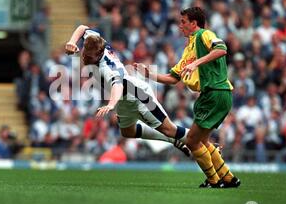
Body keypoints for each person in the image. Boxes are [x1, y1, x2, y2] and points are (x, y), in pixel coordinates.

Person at [135, 6, 241, 188]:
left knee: (191, 140)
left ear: (194, 23)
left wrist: (197, 63)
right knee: (202, 141)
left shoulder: (204, 35)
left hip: (215, 92)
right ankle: (229, 178)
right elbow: (173, 78)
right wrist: (149, 74)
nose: (179, 25)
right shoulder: (189, 49)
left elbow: (222, 49)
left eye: (183, 22)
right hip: (213, 95)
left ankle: (213, 180)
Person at [64, 25, 191, 158]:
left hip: (138, 94)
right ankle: (173, 140)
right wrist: (72, 42)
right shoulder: (94, 41)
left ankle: (206, 142)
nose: (84, 57)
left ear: (99, 54)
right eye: (84, 51)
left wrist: (111, 105)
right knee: (128, 132)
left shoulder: (108, 67)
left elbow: (117, 85)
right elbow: (83, 28)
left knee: (169, 129)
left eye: (89, 56)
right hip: (124, 99)